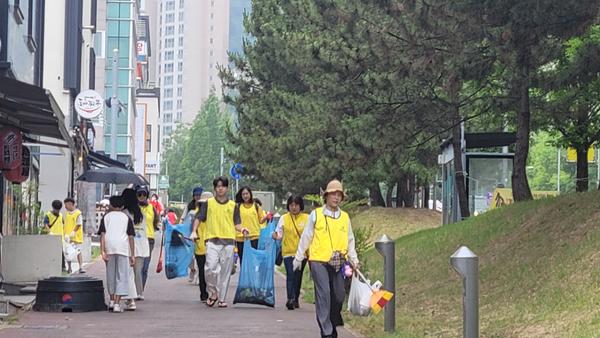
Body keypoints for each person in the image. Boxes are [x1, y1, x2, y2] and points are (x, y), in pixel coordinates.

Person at [294, 180, 359, 338]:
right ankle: (327, 331)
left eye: (339, 195)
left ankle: (333, 319)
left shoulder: (344, 217)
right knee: (324, 294)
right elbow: (306, 236)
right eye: (333, 194)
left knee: (338, 294)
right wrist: (299, 257)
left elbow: (350, 240)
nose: (336, 198)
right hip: (319, 261)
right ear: (326, 196)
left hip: (339, 261)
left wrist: (354, 259)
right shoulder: (316, 215)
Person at [190, 176, 248, 308]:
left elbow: (237, 223)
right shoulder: (208, 203)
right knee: (210, 268)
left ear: (227, 188)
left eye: (222, 186)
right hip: (212, 241)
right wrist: (194, 231)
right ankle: (213, 292)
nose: (220, 188)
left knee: (225, 272)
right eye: (218, 186)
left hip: (228, 242)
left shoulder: (233, 205)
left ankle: (221, 298)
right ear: (215, 188)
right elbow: (199, 218)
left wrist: (242, 229)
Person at [99, 195, 135, 313]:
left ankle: (111, 300)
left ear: (111, 205)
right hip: (123, 248)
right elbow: (131, 237)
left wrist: (102, 251)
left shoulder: (106, 217)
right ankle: (117, 304)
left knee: (111, 274)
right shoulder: (127, 218)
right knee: (121, 275)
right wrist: (132, 254)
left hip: (109, 247)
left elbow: (102, 235)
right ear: (122, 206)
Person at [273, 194, 309, 310]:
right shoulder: (284, 218)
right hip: (288, 252)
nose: (294, 207)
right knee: (290, 274)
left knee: (298, 277)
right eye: (291, 205)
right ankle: (290, 299)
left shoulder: (307, 218)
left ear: (300, 206)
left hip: (302, 254)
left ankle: (296, 297)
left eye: (296, 205)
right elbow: (279, 234)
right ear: (288, 206)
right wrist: (275, 236)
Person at [122, 188, 148, 304]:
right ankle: (139, 292)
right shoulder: (141, 213)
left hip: (129, 245)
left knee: (128, 272)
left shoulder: (124, 213)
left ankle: (130, 296)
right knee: (138, 271)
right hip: (142, 243)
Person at [234, 186, 268, 267]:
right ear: (241, 196)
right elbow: (234, 221)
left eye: (247, 193)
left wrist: (266, 217)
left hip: (254, 237)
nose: (245, 196)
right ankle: (245, 278)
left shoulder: (256, 206)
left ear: (250, 194)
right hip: (241, 237)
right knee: (243, 261)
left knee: (253, 261)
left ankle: (252, 278)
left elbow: (261, 220)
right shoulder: (237, 206)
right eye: (243, 194)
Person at [191, 191, 213, 302]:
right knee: (202, 271)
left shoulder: (214, 215)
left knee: (212, 271)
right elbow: (193, 229)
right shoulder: (197, 214)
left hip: (212, 246)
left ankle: (212, 292)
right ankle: (204, 293)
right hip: (200, 246)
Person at [137, 185, 159, 288]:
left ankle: (140, 289)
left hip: (149, 239)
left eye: (144, 194)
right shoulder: (134, 208)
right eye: (139, 194)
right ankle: (135, 289)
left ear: (147, 195)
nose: (142, 196)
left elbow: (156, 222)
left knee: (145, 267)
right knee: (137, 266)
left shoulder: (152, 208)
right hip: (137, 239)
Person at [63, 197, 85, 274]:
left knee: (78, 251)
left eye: (66, 205)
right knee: (68, 253)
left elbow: (79, 224)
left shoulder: (78, 213)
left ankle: (81, 267)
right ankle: (69, 267)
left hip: (75, 237)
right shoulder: (67, 214)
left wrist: (73, 232)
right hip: (67, 237)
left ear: (70, 204)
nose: (65, 207)